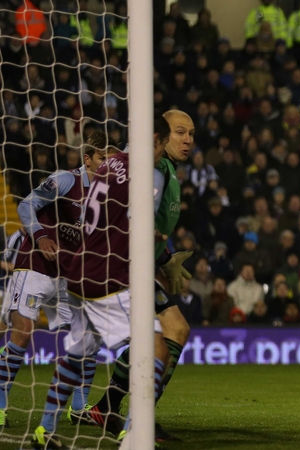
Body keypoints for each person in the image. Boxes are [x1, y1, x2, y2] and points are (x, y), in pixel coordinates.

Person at [31, 118, 174, 449]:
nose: (161, 156)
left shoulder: (109, 164)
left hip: (80, 270)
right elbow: (138, 224)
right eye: (164, 144)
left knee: (79, 352)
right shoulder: (147, 174)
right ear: (155, 140)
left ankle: (45, 430)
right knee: (156, 347)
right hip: (108, 277)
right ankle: (135, 434)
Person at [81, 110, 196, 442]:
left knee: (173, 330)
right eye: (179, 132)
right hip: (125, 266)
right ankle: (136, 420)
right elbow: (137, 222)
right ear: (159, 137)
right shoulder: (155, 170)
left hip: (128, 261)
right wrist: (160, 259)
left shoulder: (160, 168)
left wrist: (164, 259)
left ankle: (110, 407)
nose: (187, 140)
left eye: (191, 134)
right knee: (165, 337)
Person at [0, 132, 111, 427]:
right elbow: (26, 205)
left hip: (67, 275)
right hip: (35, 264)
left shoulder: (108, 195)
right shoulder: (65, 180)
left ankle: (78, 408)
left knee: (87, 339)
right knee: (22, 333)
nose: (107, 165)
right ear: (87, 159)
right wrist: (42, 236)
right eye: (102, 159)